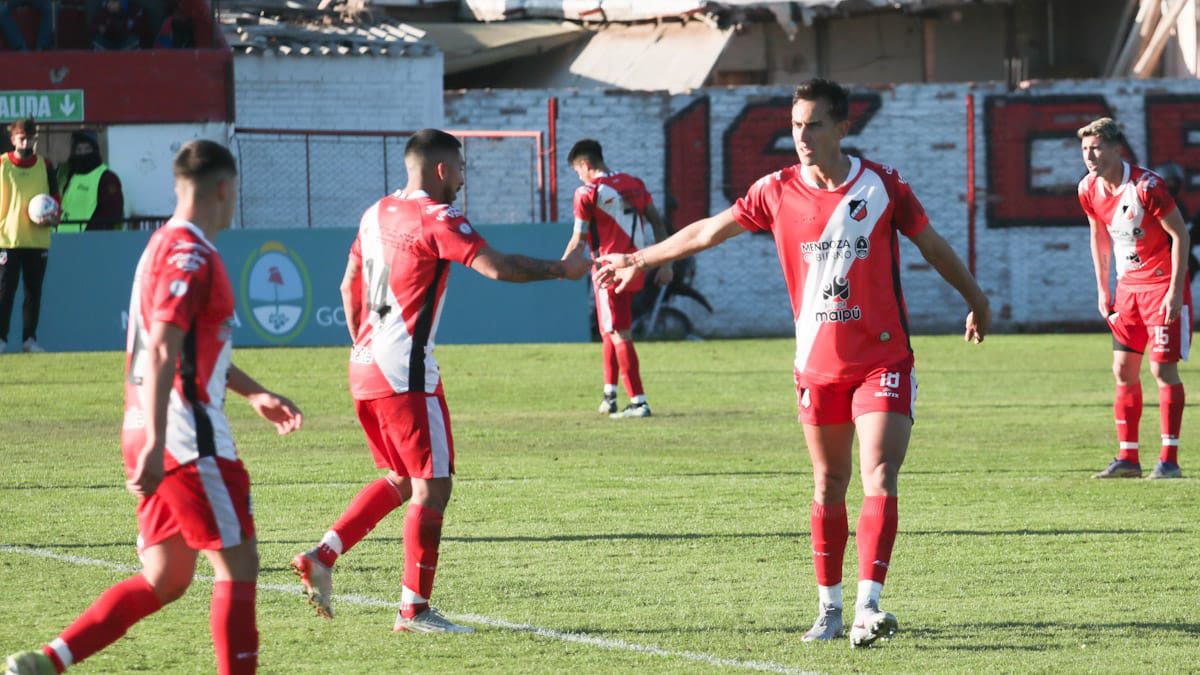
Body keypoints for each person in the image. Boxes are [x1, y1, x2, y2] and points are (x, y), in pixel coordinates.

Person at [595, 79, 989, 647]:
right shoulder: (775, 190)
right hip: (817, 364)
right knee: (829, 482)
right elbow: (708, 230)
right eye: (796, 124)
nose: (801, 135)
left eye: (814, 124)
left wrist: (976, 300)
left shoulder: (881, 186)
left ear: (842, 129)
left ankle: (867, 607)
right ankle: (828, 609)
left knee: (880, 472)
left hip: (883, 359)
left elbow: (933, 246)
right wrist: (638, 255)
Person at [4, 140, 304, 675]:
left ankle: (50, 661)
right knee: (239, 566)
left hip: (145, 425)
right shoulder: (193, 254)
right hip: (186, 436)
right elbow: (165, 346)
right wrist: (163, 444)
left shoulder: (158, 247)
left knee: (165, 576)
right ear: (223, 188)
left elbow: (188, 350)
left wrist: (253, 391)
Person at [289, 129, 590, 633]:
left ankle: (324, 554)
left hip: (365, 364)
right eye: (462, 171)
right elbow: (497, 267)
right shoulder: (438, 216)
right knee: (433, 487)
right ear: (442, 170)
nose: (464, 182)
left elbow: (347, 285)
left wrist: (364, 340)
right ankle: (414, 609)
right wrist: (564, 269)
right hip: (404, 370)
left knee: (402, 480)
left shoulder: (375, 211)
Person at [1079, 119, 1190, 480]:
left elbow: (1180, 236)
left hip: (1160, 288)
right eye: (1084, 149)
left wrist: (1175, 291)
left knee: (1162, 369)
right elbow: (1098, 236)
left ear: (1116, 149)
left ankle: (1169, 459)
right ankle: (1128, 458)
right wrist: (1102, 288)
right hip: (1127, 291)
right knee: (1123, 371)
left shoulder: (1147, 186)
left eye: (1096, 148)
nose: (1089, 155)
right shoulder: (1087, 189)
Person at [560, 139, 672, 418]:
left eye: (577, 171)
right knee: (609, 329)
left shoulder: (587, 192)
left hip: (608, 270)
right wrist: (665, 263)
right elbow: (657, 222)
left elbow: (579, 238)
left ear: (585, 166)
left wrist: (561, 267)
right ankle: (609, 395)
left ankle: (638, 401)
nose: (579, 177)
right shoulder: (634, 183)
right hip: (637, 266)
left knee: (619, 332)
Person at [0, 117, 58, 354]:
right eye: (21, 138)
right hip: (8, 239)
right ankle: (1, 339)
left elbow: (55, 199)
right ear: (13, 139)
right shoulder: (2, 164)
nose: (26, 143)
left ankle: (29, 340)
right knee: (5, 291)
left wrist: (53, 216)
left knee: (33, 292)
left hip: (37, 240)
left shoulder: (45, 165)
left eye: (30, 139)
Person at [56, 131, 125, 232]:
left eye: (87, 149)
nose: (83, 153)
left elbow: (113, 212)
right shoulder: (67, 175)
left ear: (95, 151)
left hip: (91, 240)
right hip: (63, 237)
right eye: (78, 150)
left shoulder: (107, 178)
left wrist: (92, 231)